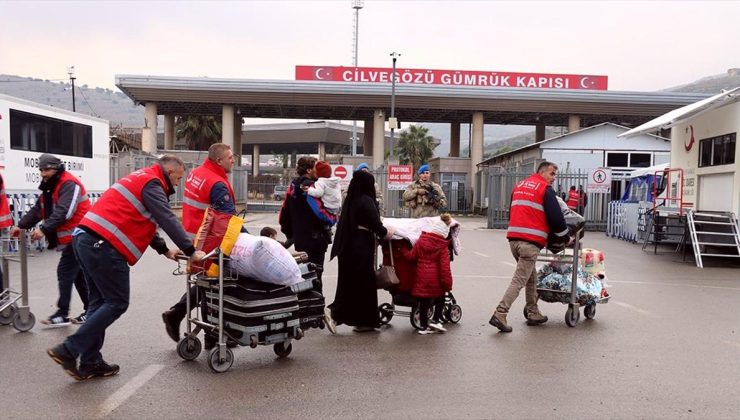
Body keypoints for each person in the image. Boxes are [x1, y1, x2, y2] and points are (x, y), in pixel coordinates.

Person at [47, 155, 205, 380]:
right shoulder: (153, 183)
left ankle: (90, 363)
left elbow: (142, 219)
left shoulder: (139, 178)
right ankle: (69, 349)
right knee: (116, 302)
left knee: (98, 303)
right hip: (103, 246)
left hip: (85, 240)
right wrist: (191, 251)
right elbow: (166, 218)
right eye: (179, 178)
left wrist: (165, 250)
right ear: (169, 173)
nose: (178, 184)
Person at [161, 143, 237, 347]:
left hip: (191, 236)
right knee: (214, 284)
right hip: (208, 241)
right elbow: (228, 220)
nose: (234, 160)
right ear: (219, 160)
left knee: (206, 283)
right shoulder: (217, 183)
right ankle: (212, 337)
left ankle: (177, 314)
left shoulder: (197, 173)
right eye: (230, 157)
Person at [489, 161, 570, 333]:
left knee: (530, 276)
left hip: (514, 239)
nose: (554, 178)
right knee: (519, 279)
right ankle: (500, 313)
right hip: (530, 242)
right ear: (541, 172)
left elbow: (514, 211)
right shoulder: (545, 189)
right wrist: (566, 237)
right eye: (552, 174)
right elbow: (556, 219)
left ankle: (533, 312)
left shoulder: (519, 186)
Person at [10, 154, 90, 326]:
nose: (43, 174)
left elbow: (64, 212)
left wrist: (44, 229)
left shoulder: (69, 183)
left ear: (56, 168)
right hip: (72, 238)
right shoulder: (50, 187)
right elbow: (39, 209)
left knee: (65, 272)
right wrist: (21, 225)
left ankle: (62, 313)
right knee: (77, 276)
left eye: (46, 170)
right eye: (41, 170)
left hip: (80, 236)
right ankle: (92, 310)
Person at [327, 171, 394, 333]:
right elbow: (375, 223)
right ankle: (336, 312)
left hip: (347, 247)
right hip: (360, 246)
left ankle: (361, 321)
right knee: (363, 284)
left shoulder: (351, 200)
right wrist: (387, 233)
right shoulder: (366, 201)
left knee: (352, 283)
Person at [279, 156, 335, 294]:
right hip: (315, 239)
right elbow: (321, 213)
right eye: (316, 168)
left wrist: (292, 235)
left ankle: (304, 308)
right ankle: (316, 310)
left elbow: (283, 216)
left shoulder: (292, 188)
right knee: (316, 276)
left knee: (304, 275)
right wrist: (334, 219)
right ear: (309, 170)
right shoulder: (312, 188)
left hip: (300, 239)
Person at [401, 214, 453, 335]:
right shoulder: (442, 247)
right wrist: (447, 285)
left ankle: (423, 326)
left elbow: (411, 256)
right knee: (440, 298)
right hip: (436, 282)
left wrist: (403, 250)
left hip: (421, 279)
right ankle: (435, 320)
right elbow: (445, 269)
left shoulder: (421, 241)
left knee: (423, 302)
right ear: (444, 233)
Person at [305, 160, 341, 243]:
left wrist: (309, 190)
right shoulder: (335, 182)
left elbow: (318, 193)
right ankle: (329, 230)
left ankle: (327, 231)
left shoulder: (320, 182)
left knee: (324, 222)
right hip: (336, 207)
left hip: (328, 207)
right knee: (330, 222)